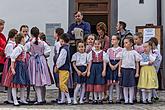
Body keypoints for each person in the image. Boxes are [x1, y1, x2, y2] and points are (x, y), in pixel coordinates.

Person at [68, 11, 91, 98]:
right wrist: (72, 33)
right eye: (76, 16)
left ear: (82, 16)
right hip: (74, 47)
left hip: (83, 45)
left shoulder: (86, 24)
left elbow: (87, 33)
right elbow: (68, 34)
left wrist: (80, 32)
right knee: (75, 71)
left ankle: (83, 95)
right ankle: (74, 94)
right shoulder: (72, 25)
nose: (77, 17)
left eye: (79, 16)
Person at [26, 27, 52, 105]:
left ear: (31, 34)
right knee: (42, 80)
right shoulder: (43, 43)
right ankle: (43, 98)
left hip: (34, 60)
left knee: (36, 80)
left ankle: (39, 99)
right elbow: (48, 52)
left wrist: (31, 53)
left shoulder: (30, 43)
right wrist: (42, 55)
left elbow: (25, 50)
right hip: (42, 60)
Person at [4, 33, 30, 106]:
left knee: (22, 83)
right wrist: (12, 68)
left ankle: (22, 99)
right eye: (24, 38)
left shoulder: (22, 47)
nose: (25, 39)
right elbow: (12, 57)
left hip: (21, 66)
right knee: (14, 84)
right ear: (21, 39)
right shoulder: (18, 48)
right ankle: (15, 100)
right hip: (17, 66)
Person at [117, 36, 141, 104]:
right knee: (124, 86)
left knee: (131, 85)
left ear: (131, 44)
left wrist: (137, 72)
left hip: (131, 71)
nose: (124, 44)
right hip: (124, 70)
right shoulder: (122, 52)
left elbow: (137, 63)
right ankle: (126, 99)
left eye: (126, 43)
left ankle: (131, 99)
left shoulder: (134, 53)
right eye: (124, 43)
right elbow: (120, 62)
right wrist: (119, 71)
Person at [86, 39, 107, 104]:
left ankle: (100, 98)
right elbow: (89, 62)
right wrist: (88, 71)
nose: (97, 45)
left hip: (100, 68)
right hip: (93, 68)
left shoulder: (103, 53)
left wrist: (104, 70)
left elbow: (104, 62)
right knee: (94, 83)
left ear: (101, 45)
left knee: (99, 83)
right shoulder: (91, 53)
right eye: (95, 44)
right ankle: (95, 99)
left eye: (98, 44)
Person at [54, 33, 72, 104]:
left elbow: (61, 59)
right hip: (63, 69)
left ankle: (68, 98)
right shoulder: (66, 48)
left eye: (61, 40)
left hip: (64, 69)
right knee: (62, 84)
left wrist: (57, 66)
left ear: (63, 41)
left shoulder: (64, 49)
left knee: (62, 84)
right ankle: (62, 99)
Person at [1, 29, 17, 104]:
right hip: (10, 62)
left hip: (12, 61)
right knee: (9, 81)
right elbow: (9, 55)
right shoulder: (10, 45)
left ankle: (11, 97)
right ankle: (9, 98)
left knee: (11, 81)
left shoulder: (13, 44)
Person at [106, 35, 122, 104]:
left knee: (117, 83)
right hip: (110, 66)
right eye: (112, 39)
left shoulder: (121, 49)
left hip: (118, 65)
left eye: (114, 39)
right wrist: (110, 65)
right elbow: (107, 59)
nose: (112, 41)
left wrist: (116, 65)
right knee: (111, 83)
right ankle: (110, 98)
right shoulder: (109, 50)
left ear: (118, 41)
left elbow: (121, 59)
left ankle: (118, 98)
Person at [72, 40, 88, 104]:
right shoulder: (75, 55)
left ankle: (81, 99)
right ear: (77, 47)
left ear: (84, 47)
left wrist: (86, 71)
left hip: (84, 69)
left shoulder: (86, 55)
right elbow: (73, 64)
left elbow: (88, 64)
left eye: (82, 46)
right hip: (78, 69)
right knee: (78, 85)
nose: (81, 48)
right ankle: (75, 99)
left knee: (83, 85)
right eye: (79, 47)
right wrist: (77, 71)